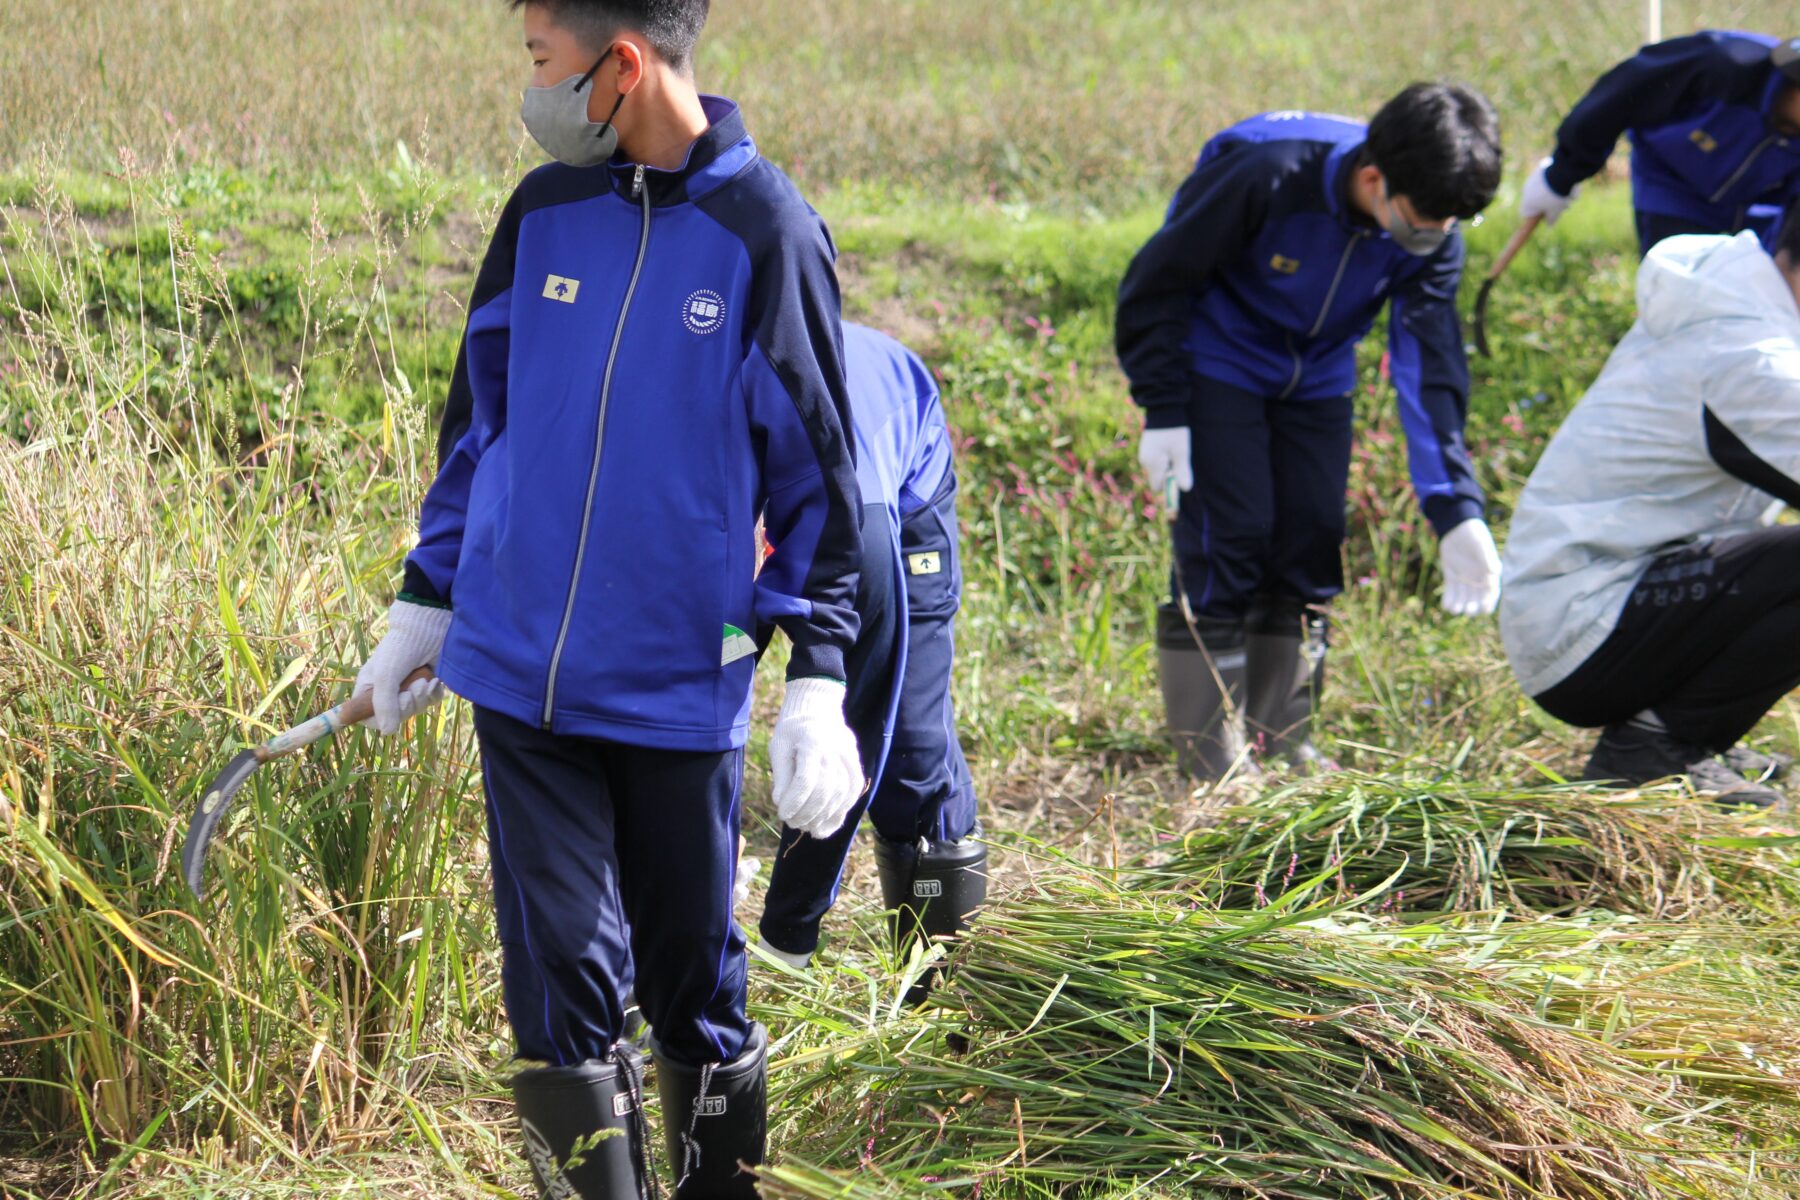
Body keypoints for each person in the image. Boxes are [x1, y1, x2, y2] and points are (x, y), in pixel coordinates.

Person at [351, 2, 866, 1196]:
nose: (530, 88)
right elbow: (480, 422)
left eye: (540, 61)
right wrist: (425, 604)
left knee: (693, 977)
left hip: (680, 681)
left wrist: (820, 679)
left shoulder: (764, 232)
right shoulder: (544, 214)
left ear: (619, 65)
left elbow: (818, 481)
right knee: (562, 984)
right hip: (519, 675)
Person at [1116, 85, 1505, 783]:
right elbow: (1158, 281)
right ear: (1372, 179)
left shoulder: (1433, 229)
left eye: (1450, 224)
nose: (1433, 239)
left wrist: (1454, 506)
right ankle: (1210, 763)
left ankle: (1283, 741)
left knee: (1310, 539)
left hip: (1319, 373)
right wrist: (1164, 406)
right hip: (1220, 358)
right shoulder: (1267, 173)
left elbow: (1429, 365)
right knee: (1228, 537)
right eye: (1420, 222)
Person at [1501, 197, 1800, 811]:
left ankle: (1686, 732)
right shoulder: (1749, 355)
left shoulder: (1734, 305)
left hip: (1605, 596)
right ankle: (1656, 745)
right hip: (1582, 629)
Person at [754, 323, 985, 1000]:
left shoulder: (853, 513)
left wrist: (785, 936)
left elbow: (864, 712)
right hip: (775, 493)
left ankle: (938, 992)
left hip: (896, 497)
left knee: (910, 743)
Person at [1521, 32, 1800, 256]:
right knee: (1680, 292)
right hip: (1672, 186)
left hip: (1758, 211)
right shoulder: (1722, 64)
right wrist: (1564, 172)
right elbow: (1620, 96)